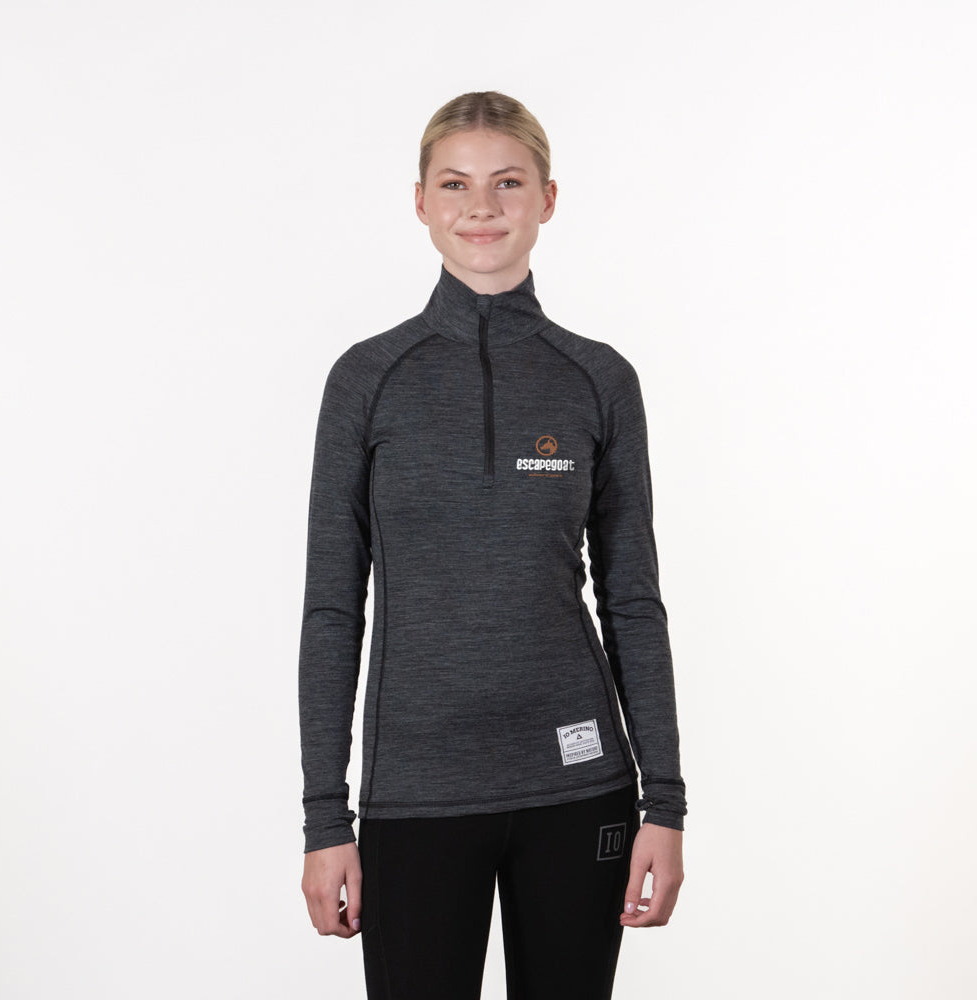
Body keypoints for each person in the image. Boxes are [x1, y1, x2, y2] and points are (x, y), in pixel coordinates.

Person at [299, 90, 688, 1000]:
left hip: (579, 786)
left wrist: (664, 803)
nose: (482, 206)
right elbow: (332, 607)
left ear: (547, 198)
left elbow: (633, 602)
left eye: (508, 182)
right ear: (421, 201)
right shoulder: (367, 379)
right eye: (456, 184)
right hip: (415, 793)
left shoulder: (597, 379)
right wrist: (325, 818)